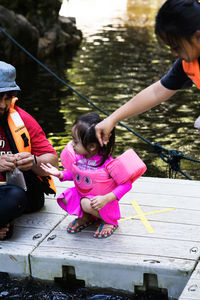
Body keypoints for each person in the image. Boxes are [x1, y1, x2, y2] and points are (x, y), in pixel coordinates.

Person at [95, 0, 200, 147]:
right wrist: (112, 119)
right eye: (170, 47)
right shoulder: (188, 62)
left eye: (176, 46)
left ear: (197, 36)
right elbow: (156, 92)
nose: (174, 53)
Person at [41, 113, 146, 239]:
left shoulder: (108, 164)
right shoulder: (79, 158)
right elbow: (77, 175)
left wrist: (106, 198)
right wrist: (60, 174)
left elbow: (126, 185)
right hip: (83, 195)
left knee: (85, 203)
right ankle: (86, 217)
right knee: (65, 197)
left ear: (91, 146)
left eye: (76, 141)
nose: (72, 145)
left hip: (103, 202)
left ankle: (108, 221)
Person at [0, 61, 58, 240]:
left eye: (7, 97)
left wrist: (33, 161)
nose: (2, 105)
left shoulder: (23, 119)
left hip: (9, 192)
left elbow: (53, 162)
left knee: (19, 198)